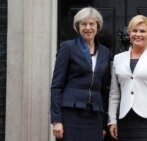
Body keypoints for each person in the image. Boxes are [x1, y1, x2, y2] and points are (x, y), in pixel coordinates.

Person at [50, 6, 110, 141]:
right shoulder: (68, 47)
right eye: (84, 24)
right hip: (71, 113)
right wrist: (57, 120)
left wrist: (103, 124)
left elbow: (104, 89)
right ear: (78, 26)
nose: (88, 27)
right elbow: (56, 86)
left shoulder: (105, 52)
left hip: (95, 114)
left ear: (98, 26)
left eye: (91, 23)